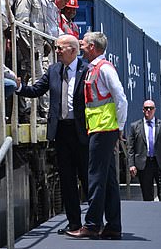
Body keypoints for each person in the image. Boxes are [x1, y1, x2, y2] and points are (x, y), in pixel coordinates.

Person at [16, 35, 90, 234]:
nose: (56, 51)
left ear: (73, 51)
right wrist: (19, 87)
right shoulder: (54, 70)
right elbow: (37, 90)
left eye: (60, 48)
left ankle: (93, 223)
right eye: (56, 48)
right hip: (61, 132)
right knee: (67, 180)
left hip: (82, 131)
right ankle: (74, 222)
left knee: (87, 178)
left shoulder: (87, 70)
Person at [67, 32, 128, 240]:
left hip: (104, 130)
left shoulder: (104, 69)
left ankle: (92, 225)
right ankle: (113, 226)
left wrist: (119, 127)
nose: (81, 47)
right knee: (109, 179)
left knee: (95, 178)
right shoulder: (96, 68)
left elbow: (121, 98)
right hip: (100, 129)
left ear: (92, 47)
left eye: (83, 44)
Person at [14, 0, 49, 120]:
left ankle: (31, 112)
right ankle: (29, 113)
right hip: (29, 46)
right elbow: (22, 23)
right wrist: (29, 48)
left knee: (31, 78)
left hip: (37, 46)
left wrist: (45, 43)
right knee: (34, 80)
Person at [127, 100, 161, 202]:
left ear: (155, 110)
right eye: (146, 108)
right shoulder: (135, 126)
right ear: (143, 110)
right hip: (144, 164)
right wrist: (131, 164)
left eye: (151, 108)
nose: (148, 110)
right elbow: (131, 148)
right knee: (147, 195)